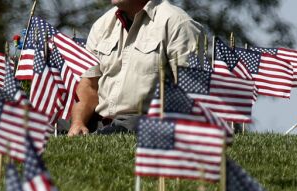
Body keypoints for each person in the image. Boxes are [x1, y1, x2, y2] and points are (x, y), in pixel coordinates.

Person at [68, 0, 202, 136]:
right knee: (54, 127)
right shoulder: (101, 25)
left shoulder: (178, 23)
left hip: (145, 123)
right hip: (100, 122)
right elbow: (89, 86)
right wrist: (78, 123)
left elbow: (194, 91)